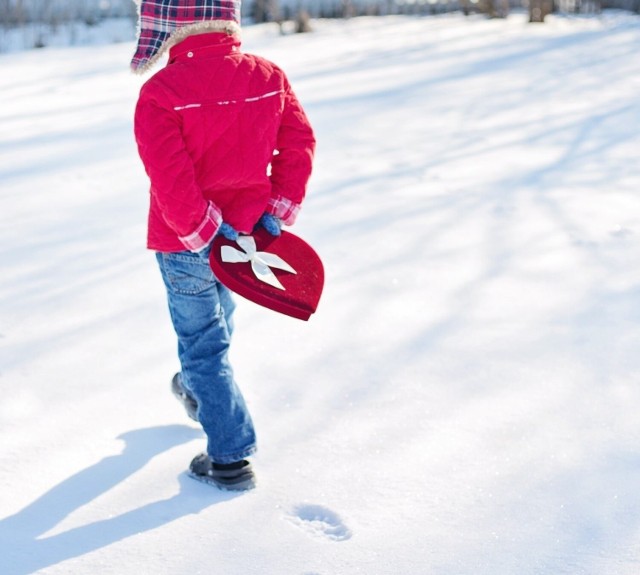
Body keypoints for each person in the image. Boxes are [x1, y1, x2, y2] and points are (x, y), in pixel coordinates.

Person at [131, 0, 316, 490]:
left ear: (168, 26)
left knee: (202, 345)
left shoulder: (161, 91)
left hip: (185, 240)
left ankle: (229, 456)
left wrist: (202, 228)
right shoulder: (267, 75)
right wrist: (275, 209)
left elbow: (170, 178)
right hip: (244, 238)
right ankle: (199, 388)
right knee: (215, 326)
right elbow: (299, 145)